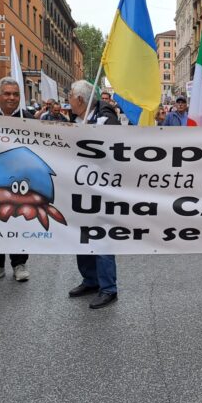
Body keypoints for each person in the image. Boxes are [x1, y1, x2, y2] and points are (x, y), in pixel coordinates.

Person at [67, 79, 121, 309]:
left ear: (80, 99)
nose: (67, 99)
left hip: (102, 189)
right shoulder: (74, 119)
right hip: (80, 189)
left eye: (69, 95)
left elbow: (113, 148)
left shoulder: (106, 117)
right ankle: (90, 280)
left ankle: (108, 288)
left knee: (101, 238)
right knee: (83, 236)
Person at [0, 77, 36, 283]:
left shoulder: (29, 119)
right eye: (7, 94)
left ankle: (19, 263)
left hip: (22, 181)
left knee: (19, 220)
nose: (12, 98)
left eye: (15, 94)